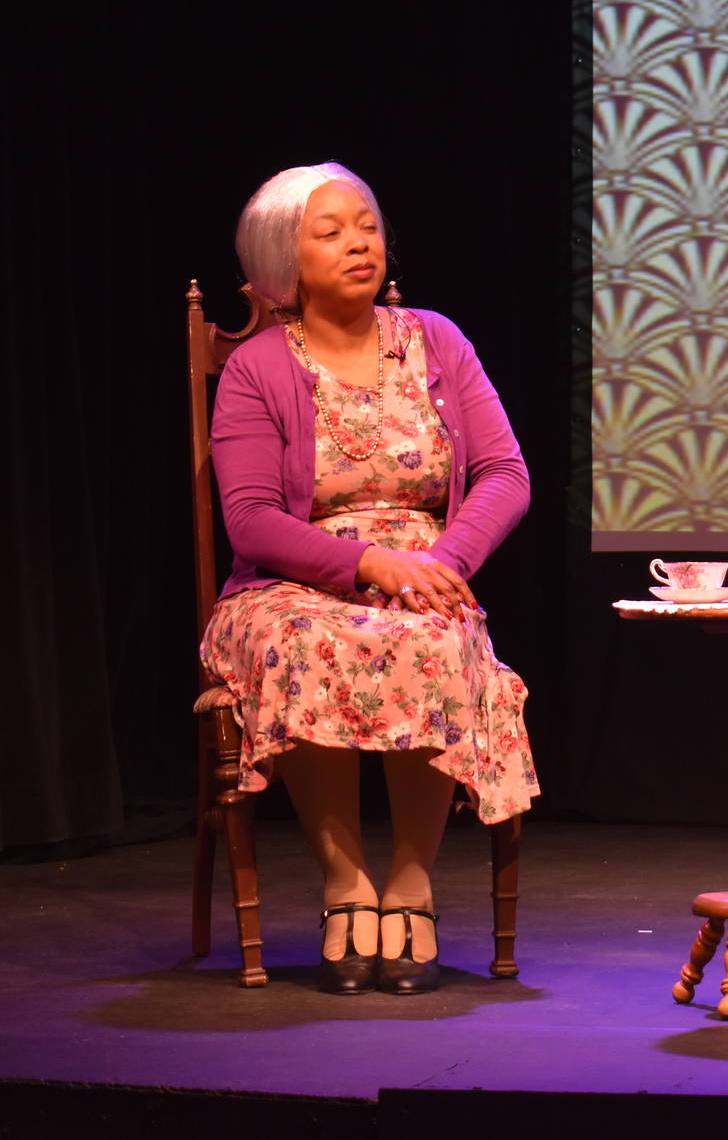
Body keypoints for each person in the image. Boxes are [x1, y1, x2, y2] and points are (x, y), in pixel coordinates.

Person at [200, 161, 537, 994]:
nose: (359, 242)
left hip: (426, 573)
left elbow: (505, 472)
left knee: (432, 633)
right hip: (293, 581)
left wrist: (440, 564)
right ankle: (344, 881)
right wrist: (366, 562)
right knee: (304, 639)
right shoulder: (257, 368)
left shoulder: (437, 340)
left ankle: (411, 881)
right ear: (284, 258)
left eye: (367, 225)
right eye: (331, 231)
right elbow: (247, 519)